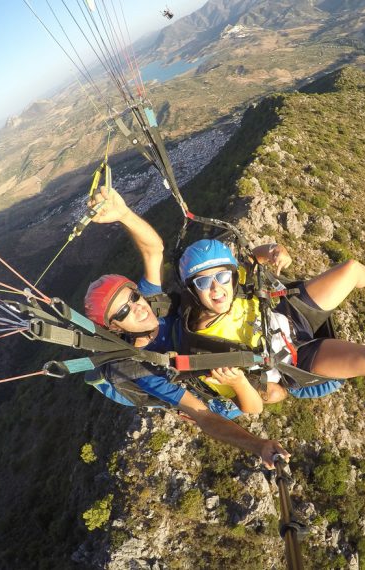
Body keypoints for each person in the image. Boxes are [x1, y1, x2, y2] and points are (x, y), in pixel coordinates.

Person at [82, 186, 287, 467]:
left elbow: (154, 250)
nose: (137, 306)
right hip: (212, 391)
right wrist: (257, 445)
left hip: (216, 350)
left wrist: (124, 214)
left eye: (133, 296)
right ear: (115, 328)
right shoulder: (141, 368)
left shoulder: (154, 305)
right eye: (123, 310)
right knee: (276, 392)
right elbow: (202, 415)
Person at [178, 239, 365, 423]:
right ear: (192, 289)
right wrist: (239, 382)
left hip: (287, 313)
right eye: (204, 282)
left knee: (352, 269)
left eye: (222, 277)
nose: (216, 289)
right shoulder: (207, 346)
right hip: (292, 357)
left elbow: (253, 257)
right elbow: (254, 406)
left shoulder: (236, 280)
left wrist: (275, 250)